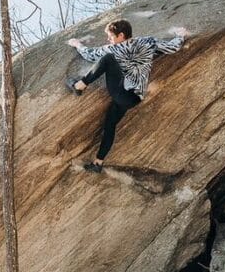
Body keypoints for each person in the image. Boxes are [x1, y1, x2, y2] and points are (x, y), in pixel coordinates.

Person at [65, 19, 189, 172]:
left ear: (121, 35)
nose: (108, 40)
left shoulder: (113, 49)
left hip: (121, 92)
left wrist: (77, 44)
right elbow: (173, 47)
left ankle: (80, 86)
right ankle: (98, 163)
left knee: (108, 59)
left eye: (110, 36)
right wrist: (181, 35)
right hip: (135, 98)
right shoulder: (148, 42)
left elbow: (90, 55)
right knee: (110, 123)